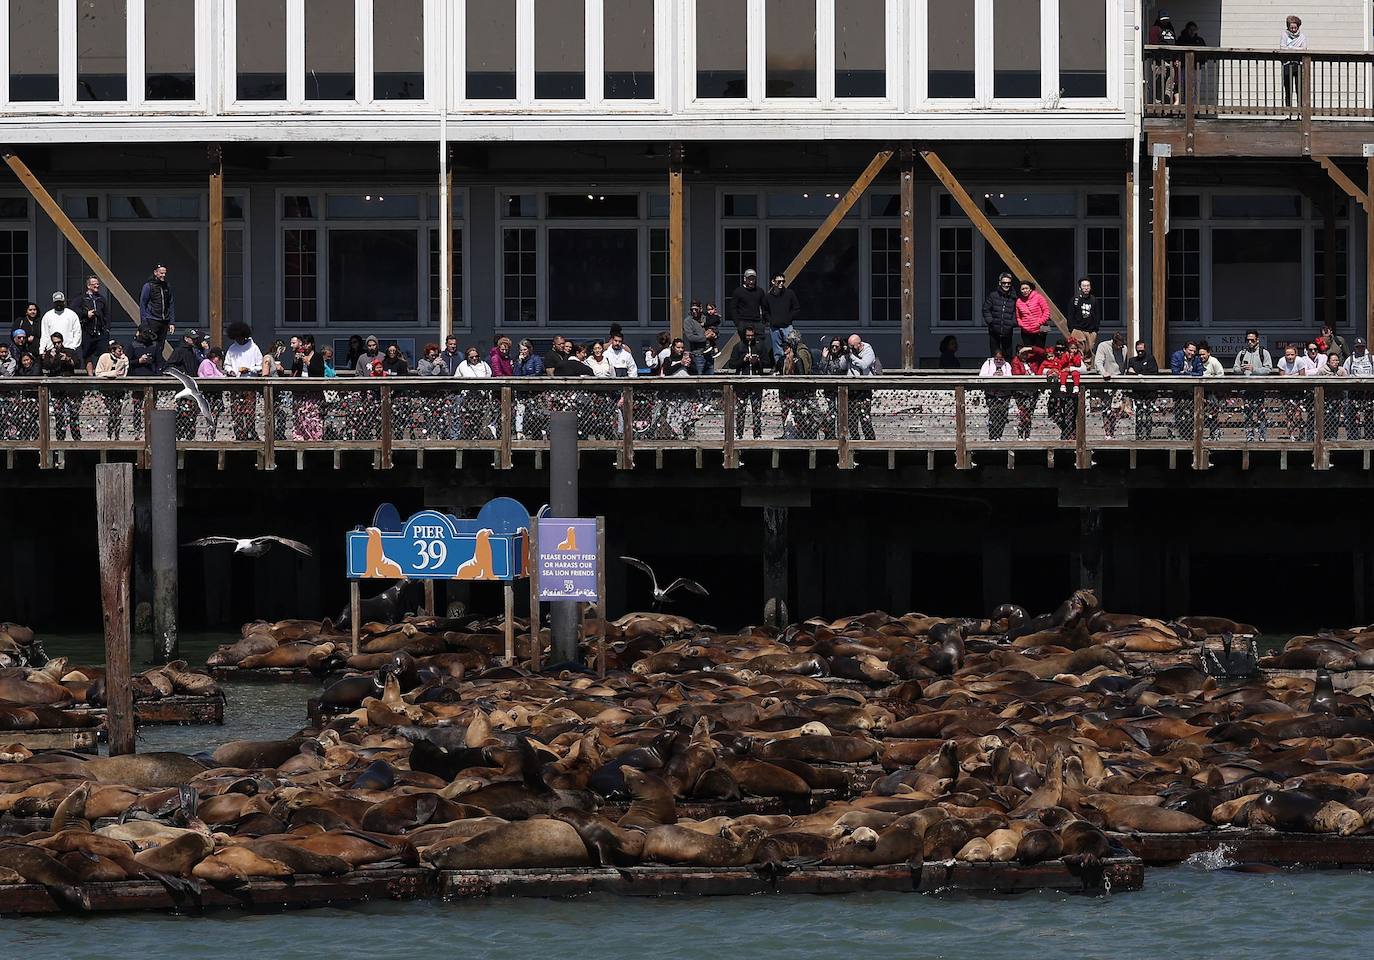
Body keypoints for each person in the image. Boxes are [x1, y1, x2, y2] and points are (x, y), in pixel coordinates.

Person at [729, 324, 772, 439]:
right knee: (741, 409)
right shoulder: (738, 347)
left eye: (752, 335)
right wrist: (743, 360)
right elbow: (732, 364)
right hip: (742, 382)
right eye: (748, 335)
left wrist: (757, 361)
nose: (750, 338)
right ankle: (739, 434)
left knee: (756, 409)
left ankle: (757, 434)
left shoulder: (760, 346)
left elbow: (767, 362)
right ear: (744, 335)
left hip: (756, 382)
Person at [223, 321, 263, 441]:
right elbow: (227, 364)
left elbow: (260, 365)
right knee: (236, 411)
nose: (238, 340)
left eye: (239, 337)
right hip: (236, 385)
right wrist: (230, 371)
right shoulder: (232, 348)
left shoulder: (254, 348)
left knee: (249, 411)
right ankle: (239, 434)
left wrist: (250, 370)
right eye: (236, 338)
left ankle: (251, 432)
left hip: (249, 384)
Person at [40, 332, 81, 440]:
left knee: (74, 413)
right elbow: (46, 366)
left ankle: (76, 438)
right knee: (59, 415)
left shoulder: (69, 351)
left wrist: (68, 359)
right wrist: (52, 358)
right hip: (56, 387)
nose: (57, 345)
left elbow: (77, 363)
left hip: (70, 386)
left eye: (59, 342)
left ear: (62, 341)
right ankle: (60, 438)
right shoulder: (50, 353)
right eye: (55, 343)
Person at [842, 334, 879, 441]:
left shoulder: (868, 350)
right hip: (852, 389)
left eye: (852, 346)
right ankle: (855, 439)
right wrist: (845, 356)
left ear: (859, 344)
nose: (851, 348)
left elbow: (864, 365)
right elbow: (842, 366)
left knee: (864, 417)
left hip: (864, 388)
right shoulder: (850, 353)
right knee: (851, 418)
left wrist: (852, 356)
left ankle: (870, 440)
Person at [1125, 341, 1159, 440]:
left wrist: (1137, 373)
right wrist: (1139, 374)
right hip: (1137, 391)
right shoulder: (1132, 360)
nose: (1140, 352)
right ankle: (1138, 435)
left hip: (1149, 391)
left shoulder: (1150, 358)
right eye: (1138, 350)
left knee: (1148, 413)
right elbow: (1129, 373)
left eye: (1142, 350)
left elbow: (1153, 372)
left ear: (1145, 349)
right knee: (1138, 414)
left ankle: (1148, 435)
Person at [978, 350, 1015, 440]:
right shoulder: (988, 363)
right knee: (993, 414)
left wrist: (1003, 376)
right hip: (991, 393)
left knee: (1002, 415)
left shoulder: (1007, 365)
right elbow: (982, 375)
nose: (998, 361)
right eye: (996, 359)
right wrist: (992, 375)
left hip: (1004, 394)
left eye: (1000, 359)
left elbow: (1011, 377)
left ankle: (999, 435)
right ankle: (992, 435)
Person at [763, 273, 802, 358]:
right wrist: (771, 320)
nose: (781, 283)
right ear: (773, 282)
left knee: (791, 350)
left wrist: (789, 318)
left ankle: (791, 369)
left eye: (783, 281)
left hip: (787, 327)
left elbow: (796, 308)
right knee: (777, 352)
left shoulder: (789, 293)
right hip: (774, 328)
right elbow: (765, 311)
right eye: (779, 281)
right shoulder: (768, 297)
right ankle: (780, 368)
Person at [139, 264, 175, 352]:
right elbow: (143, 304)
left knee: (160, 346)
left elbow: (170, 303)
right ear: (155, 273)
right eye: (161, 273)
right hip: (152, 319)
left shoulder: (167, 286)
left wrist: (172, 322)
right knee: (151, 345)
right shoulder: (148, 286)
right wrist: (144, 322)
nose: (163, 275)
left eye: (165, 273)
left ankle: (159, 364)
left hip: (164, 320)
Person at [982, 272, 1018, 360]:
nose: (1006, 285)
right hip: (994, 330)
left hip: (1007, 331)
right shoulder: (993, 295)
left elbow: (1017, 312)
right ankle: (995, 372)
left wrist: (1012, 323)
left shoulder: (1014, 297)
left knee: (1008, 355)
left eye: (1009, 283)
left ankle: (1007, 373)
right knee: (995, 355)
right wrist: (991, 322)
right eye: (1004, 283)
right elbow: (986, 309)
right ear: (1000, 283)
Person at [79, 276, 109, 375]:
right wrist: (86, 314)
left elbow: (106, 315)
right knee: (87, 354)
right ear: (88, 286)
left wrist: (107, 329)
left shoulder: (101, 299)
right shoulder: (82, 298)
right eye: (94, 284)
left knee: (103, 354)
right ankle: (90, 376)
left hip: (100, 331)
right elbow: (74, 310)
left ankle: (102, 374)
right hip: (87, 331)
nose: (97, 286)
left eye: (98, 284)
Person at [1149, 12, 1179, 105]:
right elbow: (1153, 45)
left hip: (1170, 60)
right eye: (1163, 20)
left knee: (1169, 86)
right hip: (1159, 61)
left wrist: (1176, 58)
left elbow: (1175, 44)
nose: (1165, 22)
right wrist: (1158, 60)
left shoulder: (1170, 29)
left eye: (1166, 20)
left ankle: (1167, 108)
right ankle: (1158, 108)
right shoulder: (1155, 29)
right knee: (1159, 85)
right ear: (1159, 19)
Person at [729, 269, 767, 336]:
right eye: (749, 279)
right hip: (743, 322)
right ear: (745, 279)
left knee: (759, 344)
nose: (751, 282)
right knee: (745, 344)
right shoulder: (738, 291)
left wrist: (764, 321)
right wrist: (737, 323)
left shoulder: (759, 291)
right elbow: (733, 308)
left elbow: (764, 306)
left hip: (757, 322)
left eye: (753, 279)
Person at [1069, 278, 1100, 357]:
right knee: (1079, 349)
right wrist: (1071, 329)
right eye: (1084, 286)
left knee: (1089, 350)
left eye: (1088, 286)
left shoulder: (1094, 300)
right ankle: (1078, 365)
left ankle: (1087, 367)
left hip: (1091, 330)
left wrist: (1096, 329)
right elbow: (1070, 315)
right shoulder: (1075, 300)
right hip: (1078, 329)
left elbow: (1097, 315)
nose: (1086, 288)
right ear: (1080, 288)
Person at [1281, 15, 1307, 110]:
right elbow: (1282, 47)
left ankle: (1300, 112)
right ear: (1288, 27)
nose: (1293, 29)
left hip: (1298, 64)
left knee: (1299, 90)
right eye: (1291, 27)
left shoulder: (1302, 36)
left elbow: (1304, 49)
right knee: (1288, 89)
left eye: (1295, 27)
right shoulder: (1284, 35)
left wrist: (1291, 48)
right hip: (1287, 64)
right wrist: (1297, 49)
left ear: (1298, 27)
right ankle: (1289, 112)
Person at [1015, 281, 1050, 348]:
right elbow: (1018, 317)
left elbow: (1047, 312)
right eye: (1022, 289)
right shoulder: (1018, 301)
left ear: (1030, 289)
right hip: (1026, 330)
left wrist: (1038, 322)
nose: (1025, 290)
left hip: (1041, 329)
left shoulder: (1039, 297)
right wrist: (1022, 325)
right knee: (1028, 352)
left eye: (1026, 288)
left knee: (1040, 351)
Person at [683, 300, 710, 373]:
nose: (694, 311)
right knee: (699, 378)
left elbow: (715, 328)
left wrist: (715, 335)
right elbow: (690, 337)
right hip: (698, 354)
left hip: (710, 354)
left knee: (711, 378)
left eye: (696, 309)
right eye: (692, 309)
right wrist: (705, 338)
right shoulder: (688, 321)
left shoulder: (706, 317)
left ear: (701, 308)